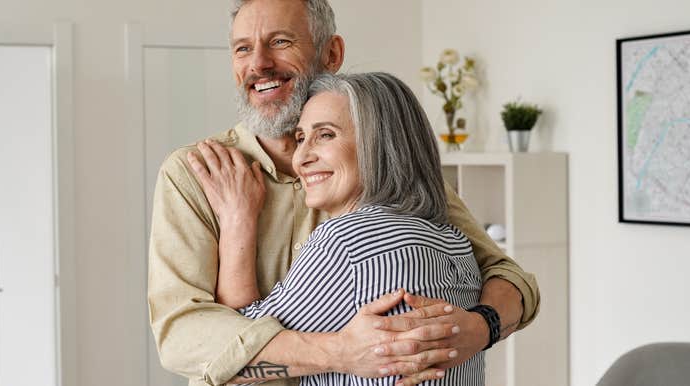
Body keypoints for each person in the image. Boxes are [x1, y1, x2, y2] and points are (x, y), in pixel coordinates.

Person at [147, 0, 540, 385]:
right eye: (243, 48)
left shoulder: (392, 177)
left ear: (331, 52)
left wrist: (479, 327)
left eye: (280, 42)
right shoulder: (193, 174)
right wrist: (338, 352)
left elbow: (508, 277)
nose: (259, 63)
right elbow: (182, 337)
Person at [201, 72, 487, 386]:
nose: (301, 157)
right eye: (300, 138)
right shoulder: (456, 242)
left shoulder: (346, 242)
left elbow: (238, 352)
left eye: (325, 135)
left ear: (378, 145)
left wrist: (236, 219)